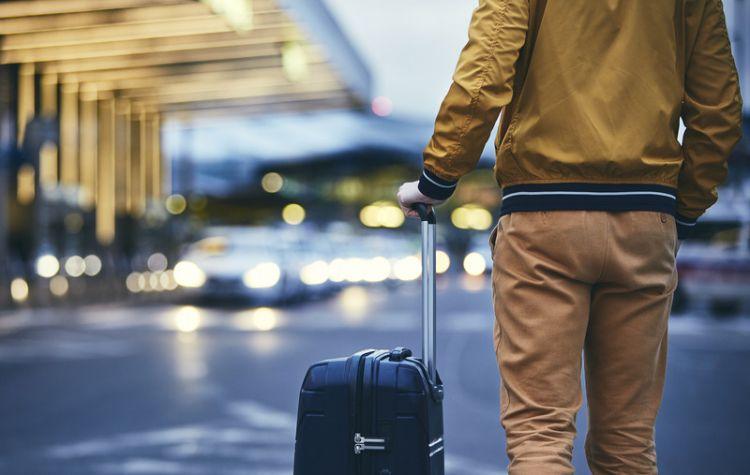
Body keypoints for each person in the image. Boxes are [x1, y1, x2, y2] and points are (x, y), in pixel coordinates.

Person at [396, 0, 743, 473]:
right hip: (645, 222)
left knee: (539, 432)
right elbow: (719, 108)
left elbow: (487, 67)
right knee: (628, 443)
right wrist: (684, 207)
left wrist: (438, 176)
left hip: (543, 216)